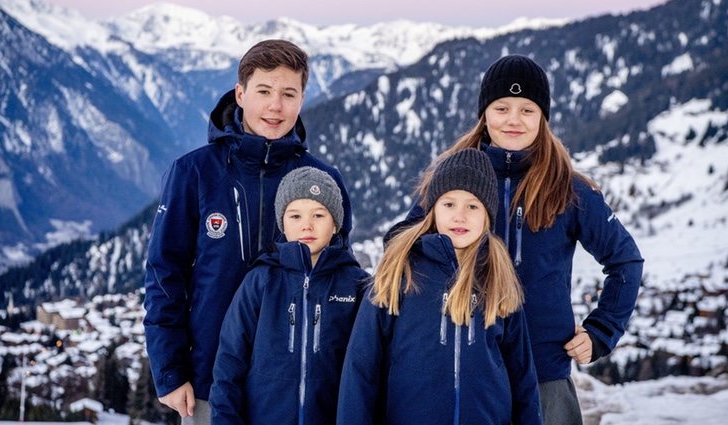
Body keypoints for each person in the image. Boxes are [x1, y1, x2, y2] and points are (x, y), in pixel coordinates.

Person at [394, 54, 644, 425]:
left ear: (543, 117)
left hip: (545, 374)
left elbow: (626, 261)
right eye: (502, 107)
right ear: (485, 114)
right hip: (466, 365)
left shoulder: (569, 190)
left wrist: (601, 331)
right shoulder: (454, 180)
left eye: (527, 109)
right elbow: (401, 243)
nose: (513, 119)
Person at [142, 39, 353, 424]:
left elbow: (338, 276)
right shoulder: (194, 172)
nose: (276, 105)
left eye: (289, 93)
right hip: (208, 380)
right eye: (264, 91)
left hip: (297, 389)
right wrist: (169, 370)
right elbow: (163, 272)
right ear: (240, 94)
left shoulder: (323, 183)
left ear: (302, 99)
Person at [338, 148, 543, 425]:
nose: (460, 216)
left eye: (472, 206)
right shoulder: (401, 271)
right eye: (449, 204)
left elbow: (522, 376)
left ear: (487, 216)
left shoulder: (498, 277)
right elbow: (361, 366)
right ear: (432, 211)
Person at [210, 167, 369, 424]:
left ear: (335, 223)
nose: (307, 225)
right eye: (295, 216)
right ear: (282, 223)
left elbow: (369, 368)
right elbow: (229, 362)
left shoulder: (356, 285)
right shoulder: (261, 281)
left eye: (319, 214)